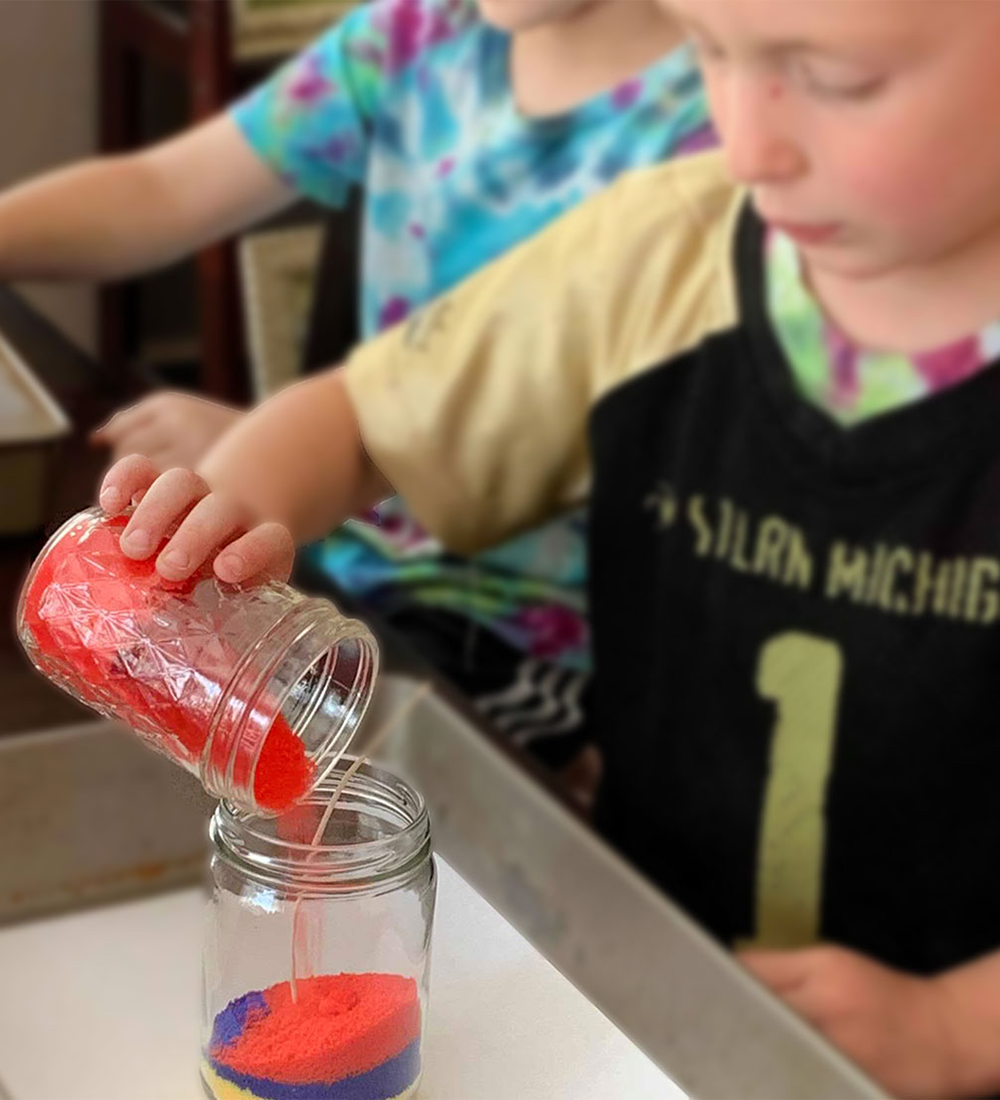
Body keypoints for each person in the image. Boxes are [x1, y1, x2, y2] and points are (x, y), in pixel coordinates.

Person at [95, 0, 1000, 1094]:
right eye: (711, 51)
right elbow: (359, 419)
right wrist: (233, 505)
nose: (748, 141)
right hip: (642, 971)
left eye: (836, 80)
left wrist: (956, 1026)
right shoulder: (661, 251)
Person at [0, 0, 711, 770]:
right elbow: (166, 190)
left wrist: (268, 450)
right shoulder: (420, 33)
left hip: (530, 642)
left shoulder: (727, 153)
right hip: (338, 568)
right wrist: (254, 465)